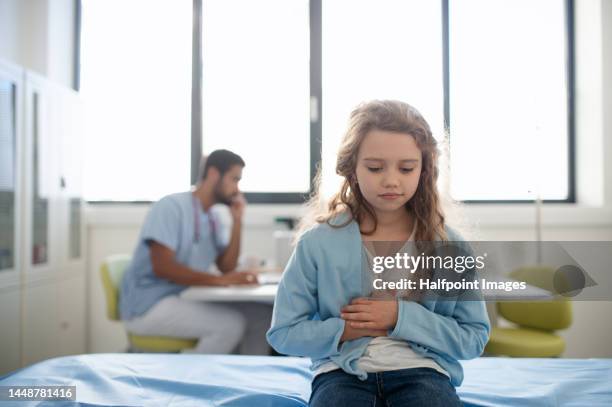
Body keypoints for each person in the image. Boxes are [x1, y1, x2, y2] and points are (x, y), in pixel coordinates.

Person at [266, 100, 490, 406]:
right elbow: (283, 333)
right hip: (340, 373)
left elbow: (473, 338)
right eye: (374, 167)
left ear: (424, 170)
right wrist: (345, 330)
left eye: (406, 168)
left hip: (424, 372)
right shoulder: (317, 244)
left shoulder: (449, 246)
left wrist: (399, 316)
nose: (391, 180)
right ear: (351, 169)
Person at [120, 149, 272, 355]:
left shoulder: (212, 217)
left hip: (183, 296)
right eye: (234, 179)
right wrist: (221, 280)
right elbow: (162, 267)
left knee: (262, 315)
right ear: (213, 174)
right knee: (230, 325)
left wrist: (237, 220)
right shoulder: (171, 207)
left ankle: (250, 382)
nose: (237, 189)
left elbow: (226, 266)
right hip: (148, 305)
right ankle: (190, 382)